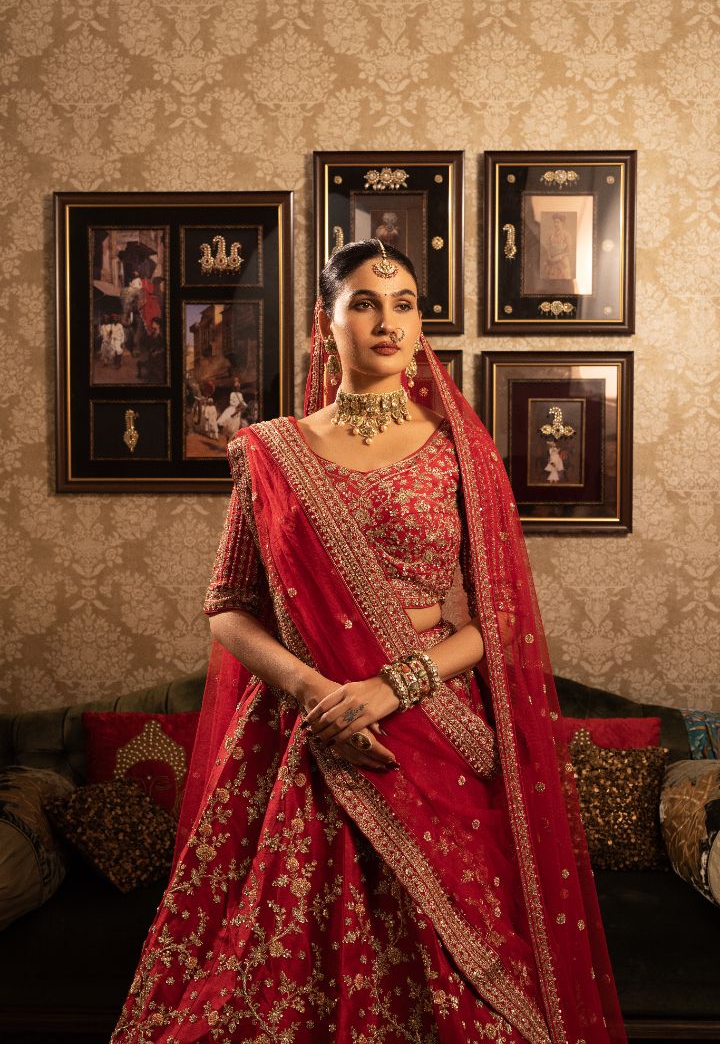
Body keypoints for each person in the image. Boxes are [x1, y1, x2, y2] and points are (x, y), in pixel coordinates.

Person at [111, 240, 626, 1043]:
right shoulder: (268, 452)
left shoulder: (462, 453)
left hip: (433, 733)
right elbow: (227, 607)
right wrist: (319, 695)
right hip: (303, 736)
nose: (388, 321)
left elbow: (493, 625)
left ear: (423, 325)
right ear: (327, 320)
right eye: (364, 302)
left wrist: (390, 689)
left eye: (406, 303)